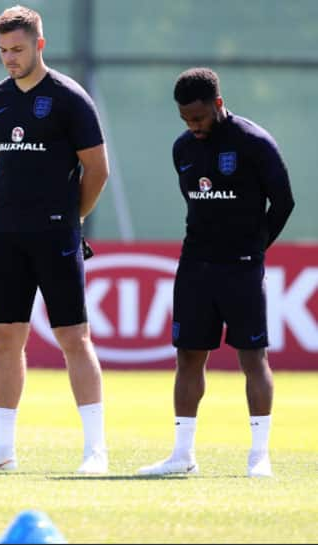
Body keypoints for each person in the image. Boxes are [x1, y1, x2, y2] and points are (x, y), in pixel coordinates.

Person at [0, 5, 110, 474]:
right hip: (5, 234)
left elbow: (98, 171)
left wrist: (68, 218)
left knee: (72, 337)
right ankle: (1, 449)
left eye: (18, 50)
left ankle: (95, 451)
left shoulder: (69, 98)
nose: (9, 58)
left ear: (39, 45)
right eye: (2, 51)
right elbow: (2, 164)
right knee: (5, 339)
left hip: (56, 234)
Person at [138, 68, 294, 478]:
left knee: (252, 358)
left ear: (218, 105)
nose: (194, 127)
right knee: (188, 356)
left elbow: (283, 202)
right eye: (186, 120)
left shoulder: (254, 143)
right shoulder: (182, 149)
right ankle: (182, 455)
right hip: (194, 267)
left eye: (200, 118)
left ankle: (259, 455)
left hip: (241, 268)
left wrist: (254, 249)